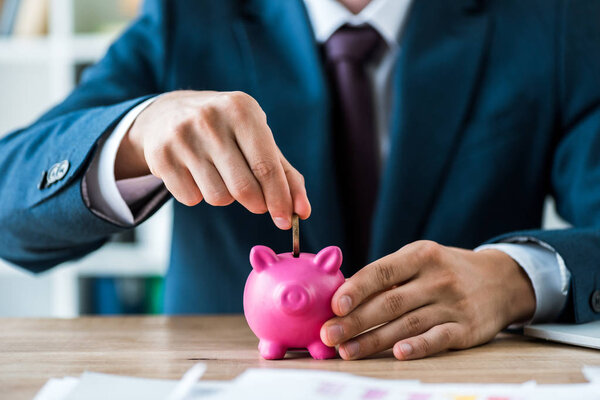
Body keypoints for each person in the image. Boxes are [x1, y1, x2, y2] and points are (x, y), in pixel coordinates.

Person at [1, 0, 599, 361]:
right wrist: (133, 132)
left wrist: (517, 279)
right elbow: (10, 207)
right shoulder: (188, 14)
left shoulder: (553, 19)